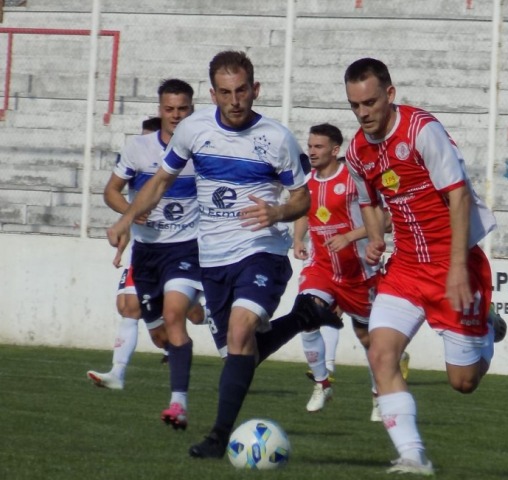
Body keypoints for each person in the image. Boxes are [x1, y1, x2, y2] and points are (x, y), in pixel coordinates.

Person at [105, 51, 343, 459]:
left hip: (260, 249)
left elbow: (301, 198)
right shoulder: (194, 130)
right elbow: (161, 180)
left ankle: (218, 436)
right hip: (211, 257)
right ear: (213, 94)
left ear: (255, 89)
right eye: (226, 92)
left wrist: (279, 211)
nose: (235, 100)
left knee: (238, 333)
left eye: (242, 91)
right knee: (239, 351)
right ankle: (304, 316)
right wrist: (127, 218)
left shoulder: (276, 138)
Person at [343, 58, 507, 476]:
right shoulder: (357, 151)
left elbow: (460, 197)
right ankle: (413, 456)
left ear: (390, 95)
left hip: (453, 263)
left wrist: (456, 268)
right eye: (355, 105)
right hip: (406, 268)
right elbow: (369, 201)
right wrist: (376, 237)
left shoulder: (420, 130)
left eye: (370, 102)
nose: (363, 113)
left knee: (463, 383)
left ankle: (486, 324)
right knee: (381, 354)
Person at [89, 79, 203, 431]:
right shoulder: (138, 149)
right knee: (158, 333)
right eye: (169, 109)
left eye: (183, 109)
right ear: (160, 110)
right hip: (147, 253)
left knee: (173, 316)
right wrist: (129, 212)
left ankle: (178, 404)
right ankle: (209, 311)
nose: (176, 115)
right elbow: (111, 191)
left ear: (191, 110)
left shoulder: (202, 149)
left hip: (187, 247)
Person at [293, 123, 409, 416]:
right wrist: (297, 238)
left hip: (359, 272)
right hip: (322, 268)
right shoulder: (307, 181)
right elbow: (302, 211)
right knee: (305, 316)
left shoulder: (354, 177)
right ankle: (323, 383)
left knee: (370, 339)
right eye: (310, 146)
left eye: (318, 147)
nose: (312, 151)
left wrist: (350, 237)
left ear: (335, 150)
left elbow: (385, 219)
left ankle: (378, 395)